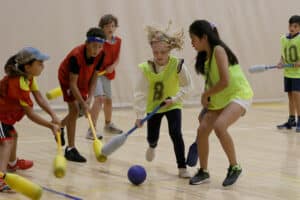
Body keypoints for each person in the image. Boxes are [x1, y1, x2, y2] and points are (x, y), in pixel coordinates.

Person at [188, 20, 253, 186]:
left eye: (193, 38)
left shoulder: (218, 50)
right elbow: (212, 85)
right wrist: (205, 106)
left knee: (219, 126)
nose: (192, 43)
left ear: (204, 37)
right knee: (202, 129)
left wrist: (205, 94)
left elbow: (225, 81)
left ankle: (234, 166)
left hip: (239, 94)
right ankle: (203, 172)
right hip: (222, 98)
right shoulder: (206, 59)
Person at [134, 25, 193, 178]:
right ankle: (152, 146)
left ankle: (182, 167)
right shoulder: (147, 68)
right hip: (154, 107)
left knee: (176, 133)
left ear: (170, 50)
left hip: (172, 104)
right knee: (152, 136)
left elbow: (188, 86)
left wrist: (175, 99)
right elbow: (140, 93)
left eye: (163, 52)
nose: (159, 55)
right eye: (156, 52)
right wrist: (139, 115)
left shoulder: (177, 65)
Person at [0, 47, 60, 192]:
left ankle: (12, 164)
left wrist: (53, 115)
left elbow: (39, 97)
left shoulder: (28, 77)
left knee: (13, 135)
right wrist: (50, 126)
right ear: (27, 66)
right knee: (6, 142)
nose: (43, 66)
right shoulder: (18, 83)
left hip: (5, 116)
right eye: (39, 63)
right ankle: (1, 177)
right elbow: (30, 114)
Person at [59, 27, 106, 162]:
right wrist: (83, 103)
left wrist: (89, 99)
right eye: (94, 46)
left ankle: (60, 126)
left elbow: (94, 77)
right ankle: (70, 149)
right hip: (67, 79)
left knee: (80, 111)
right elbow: (72, 84)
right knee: (74, 109)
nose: (96, 50)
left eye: (100, 47)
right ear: (87, 43)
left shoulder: (101, 55)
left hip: (85, 76)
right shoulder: (76, 56)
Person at [87, 14, 122, 140]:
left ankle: (108, 124)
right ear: (102, 28)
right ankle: (91, 129)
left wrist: (113, 65)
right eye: (107, 26)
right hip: (96, 74)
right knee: (99, 99)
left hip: (107, 74)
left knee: (108, 100)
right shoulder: (98, 42)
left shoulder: (118, 41)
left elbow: (118, 57)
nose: (110, 28)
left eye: (113, 26)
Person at [276, 15, 300, 132]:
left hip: (298, 74)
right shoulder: (283, 39)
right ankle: (292, 120)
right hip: (288, 73)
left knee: (297, 96)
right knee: (290, 96)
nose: (292, 28)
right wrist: (281, 62)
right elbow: (283, 54)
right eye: (291, 25)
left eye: (295, 26)